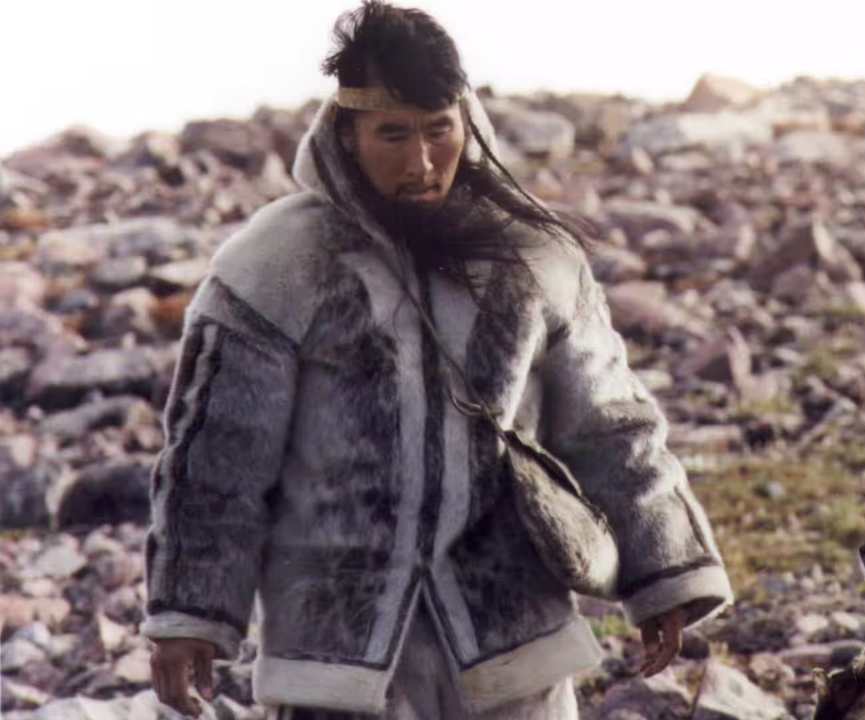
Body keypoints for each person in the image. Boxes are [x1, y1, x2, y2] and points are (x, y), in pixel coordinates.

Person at [140, 2, 733, 718]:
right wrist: (188, 617)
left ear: (465, 122)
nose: (421, 162)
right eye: (393, 135)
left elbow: (611, 424)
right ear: (348, 133)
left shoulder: (533, 259)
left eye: (437, 131)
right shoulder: (271, 268)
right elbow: (216, 457)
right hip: (341, 666)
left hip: (513, 644)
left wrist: (663, 573)